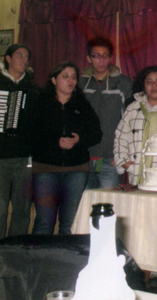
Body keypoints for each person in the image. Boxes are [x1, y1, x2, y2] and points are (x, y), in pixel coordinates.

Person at [29, 62, 102, 235]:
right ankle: (40, 261)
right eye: (65, 76)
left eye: (74, 77)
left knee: (70, 224)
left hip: (77, 170)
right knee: (44, 223)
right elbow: (29, 135)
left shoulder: (82, 105)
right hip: (45, 170)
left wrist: (79, 139)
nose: (71, 81)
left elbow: (96, 134)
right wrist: (55, 143)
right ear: (54, 80)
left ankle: (65, 261)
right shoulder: (39, 103)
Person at [0, 44, 39, 249]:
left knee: (22, 209)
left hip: (25, 156)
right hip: (0, 155)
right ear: (8, 58)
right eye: (19, 55)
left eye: (27, 56)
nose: (24, 60)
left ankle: (15, 253)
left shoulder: (33, 89)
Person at [79, 37, 133, 189]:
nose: (101, 60)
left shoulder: (124, 84)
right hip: (82, 161)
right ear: (89, 58)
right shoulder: (80, 84)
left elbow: (131, 122)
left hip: (111, 160)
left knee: (108, 207)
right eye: (96, 55)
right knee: (83, 207)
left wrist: (122, 156)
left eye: (105, 55)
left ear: (111, 57)